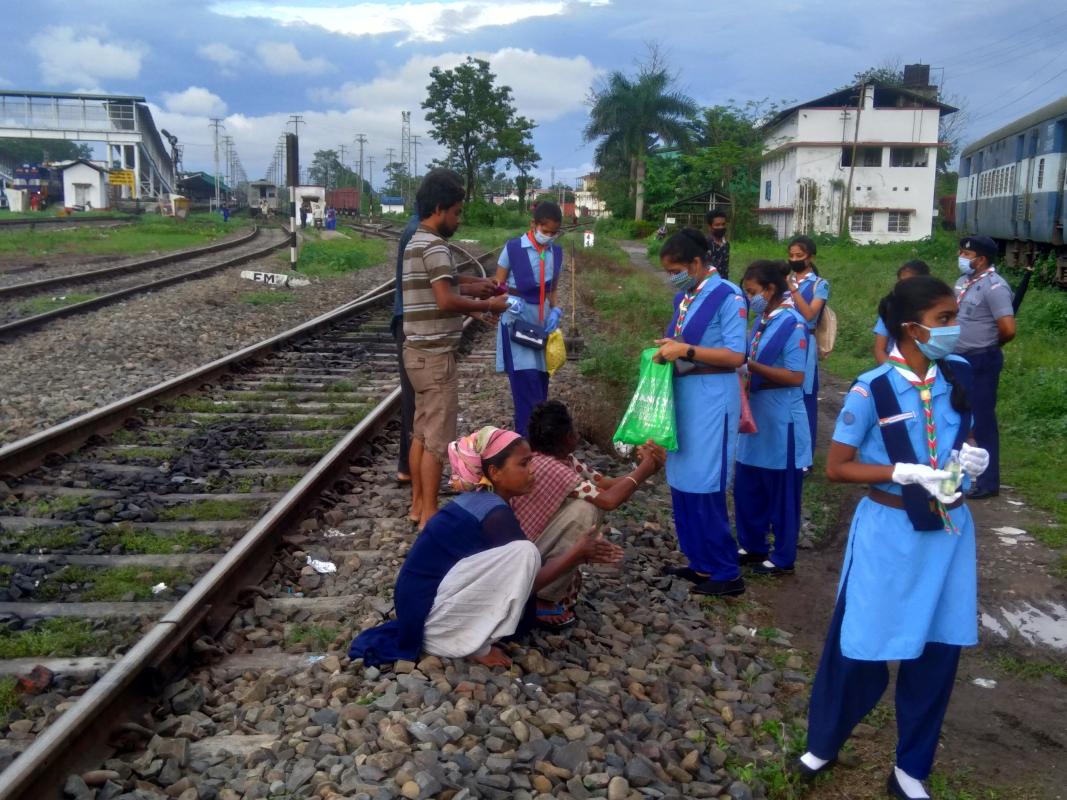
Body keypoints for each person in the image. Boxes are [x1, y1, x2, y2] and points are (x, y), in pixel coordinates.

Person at [796, 275, 990, 800]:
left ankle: (911, 767)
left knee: (938, 648)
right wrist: (899, 473)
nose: (955, 327)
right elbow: (837, 467)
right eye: (944, 319)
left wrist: (972, 460)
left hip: (948, 534)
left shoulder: (959, 375)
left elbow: (961, 438)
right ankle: (826, 739)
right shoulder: (872, 387)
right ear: (911, 328)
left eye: (955, 317)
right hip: (888, 532)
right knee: (856, 639)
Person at [348, 427, 622, 668]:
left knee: (524, 554)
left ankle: (462, 634)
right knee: (525, 553)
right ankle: (470, 644)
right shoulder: (494, 514)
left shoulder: (485, 502)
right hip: (429, 623)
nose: (532, 470)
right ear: (494, 472)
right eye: (523, 464)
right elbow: (527, 582)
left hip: (419, 612)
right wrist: (577, 553)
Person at [403, 169, 508, 528]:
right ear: (439, 208)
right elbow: (446, 298)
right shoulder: (434, 246)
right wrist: (488, 306)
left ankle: (418, 505)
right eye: (457, 212)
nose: (459, 220)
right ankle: (429, 516)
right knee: (436, 441)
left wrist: (475, 284)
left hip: (416, 351)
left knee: (420, 433)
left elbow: (445, 279)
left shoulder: (417, 241)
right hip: (435, 358)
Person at [652, 229, 748, 597]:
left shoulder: (727, 295)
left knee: (706, 481)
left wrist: (686, 351)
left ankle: (726, 571)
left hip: (712, 396)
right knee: (682, 478)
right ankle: (700, 562)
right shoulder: (686, 297)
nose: (671, 276)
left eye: (675, 269)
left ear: (696, 263)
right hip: (685, 394)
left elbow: (736, 355)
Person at [511, 400, 664, 629]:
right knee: (586, 510)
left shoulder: (562, 460)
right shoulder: (553, 468)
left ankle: (546, 589)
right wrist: (646, 468)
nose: (576, 432)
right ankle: (543, 598)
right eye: (572, 428)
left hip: (528, 548)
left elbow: (606, 484)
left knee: (586, 504)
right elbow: (608, 499)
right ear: (565, 437)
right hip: (520, 555)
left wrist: (645, 468)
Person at [735, 260, 812, 576]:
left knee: (781, 489)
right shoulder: (762, 321)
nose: (749, 297)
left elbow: (795, 376)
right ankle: (752, 544)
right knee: (748, 482)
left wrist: (749, 366)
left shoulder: (792, 325)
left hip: (781, 420)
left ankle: (782, 555)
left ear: (769, 289)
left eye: (752, 292)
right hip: (757, 416)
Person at [494, 201, 565, 436]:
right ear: (533, 225)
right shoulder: (513, 248)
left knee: (541, 384)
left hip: (540, 325)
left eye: (554, 233)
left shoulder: (555, 252)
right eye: (546, 231)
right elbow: (497, 285)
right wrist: (507, 300)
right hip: (516, 323)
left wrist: (555, 310)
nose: (550, 236)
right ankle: (525, 443)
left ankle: (537, 443)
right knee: (526, 386)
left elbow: (553, 289)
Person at [954, 235, 1015, 499]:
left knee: (982, 420)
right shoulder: (962, 283)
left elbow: (1008, 329)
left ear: (982, 259)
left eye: (967, 255)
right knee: (957, 419)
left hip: (981, 359)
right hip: (958, 359)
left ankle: (988, 482)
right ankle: (957, 475)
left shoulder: (995, 287)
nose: (962, 258)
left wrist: (989, 344)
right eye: (961, 253)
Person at [784, 235, 829, 449]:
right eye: (791, 255)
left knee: (805, 395)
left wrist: (792, 290)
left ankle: (805, 454)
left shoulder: (820, 285)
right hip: (784, 339)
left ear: (809, 257)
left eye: (799, 255)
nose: (794, 259)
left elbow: (810, 314)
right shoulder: (786, 280)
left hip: (805, 342)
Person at [391, 212, 420, 493]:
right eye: (456, 211)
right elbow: (433, 288)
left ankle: (406, 466)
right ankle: (410, 468)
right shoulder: (417, 233)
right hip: (412, 323)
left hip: (409, 321)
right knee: (416, 403)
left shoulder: (414, 229)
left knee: (413, 401)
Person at [873, 260, 930, 364]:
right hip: (894, 367)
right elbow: (880, 350)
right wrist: (897, 373)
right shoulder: (890, 309)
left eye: (910, 282)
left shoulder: (932, 310)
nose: (905, 286)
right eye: (901, 281)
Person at [705, 209, 731, 281]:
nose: (721, 227)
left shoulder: (726, 245)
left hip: (722, 283)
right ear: (710, 226)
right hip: (706, 285)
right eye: (717, 225)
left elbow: (725, 268)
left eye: (723, 224)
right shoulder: (703, 244)